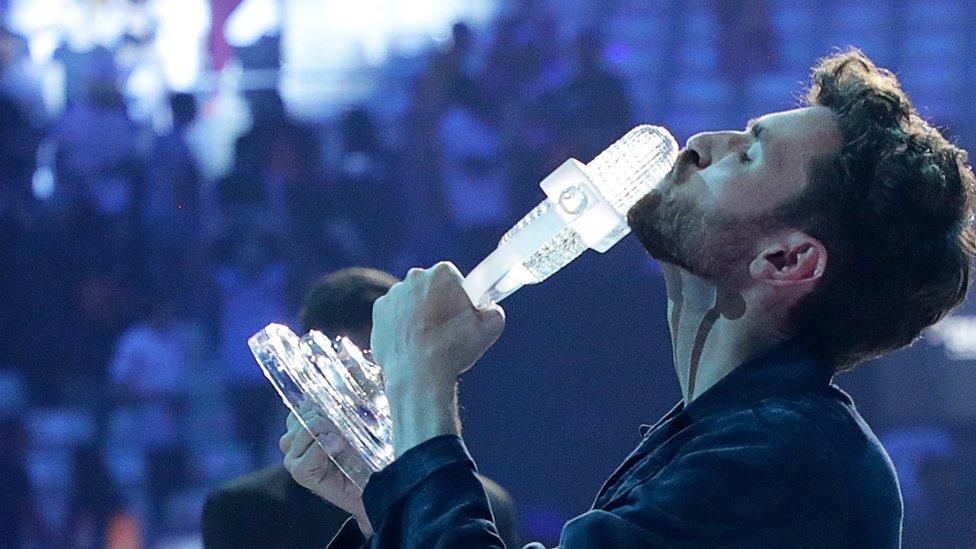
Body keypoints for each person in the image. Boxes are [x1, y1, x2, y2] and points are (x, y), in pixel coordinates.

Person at [280, 49, 976, 547]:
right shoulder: (736, 435)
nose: (704, 141)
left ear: (787, 258)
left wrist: (422, 393)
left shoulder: (790, 457)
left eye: (748, 154)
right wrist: (386, 494)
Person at [203, 268, 521, 548]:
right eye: (343, 372)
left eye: (374, 368)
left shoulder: (486, 503)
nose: (361, 394)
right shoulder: (242, 509)